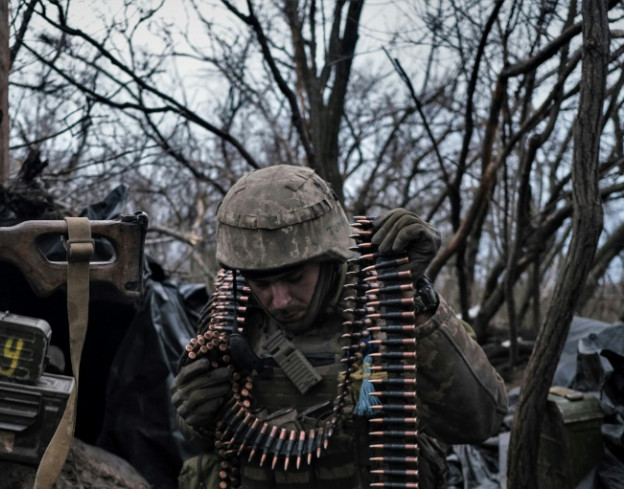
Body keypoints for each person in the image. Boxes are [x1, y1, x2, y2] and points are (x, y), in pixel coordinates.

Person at [172, 165, 508, 489]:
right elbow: (208, 441)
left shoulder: (385, 303)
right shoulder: (230, 315)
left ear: (330, 256)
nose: (280, 301)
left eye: (294, 277)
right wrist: (196, 415)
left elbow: (481, 422)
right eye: (261, 283)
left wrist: (413, 297)